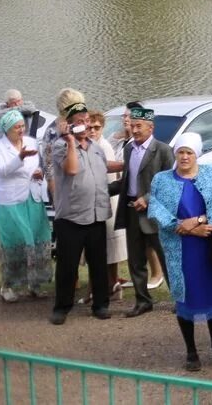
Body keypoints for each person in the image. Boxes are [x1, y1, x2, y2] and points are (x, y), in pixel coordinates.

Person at [147, 133, 212, 371]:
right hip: (181, 248)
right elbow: (156, 208)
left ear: (197, 154)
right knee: (186, 297)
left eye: (189, 153)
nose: (184, 157)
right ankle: (191, 351)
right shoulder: (162, 180)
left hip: (209, 245)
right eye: (180, 152)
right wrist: (186, 228)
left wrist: (203, 221)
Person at [49, 95, 112, 325]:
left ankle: (101, 304)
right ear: (69, 123)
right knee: (67, 264)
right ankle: (62, 307)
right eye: (79, 121)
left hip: (96, 214)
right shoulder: (59, 146)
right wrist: (69, 140)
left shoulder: (96, 148)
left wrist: (133, 164)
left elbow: (105, 168)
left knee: (98, 262)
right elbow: (72, 169)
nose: (84, 124)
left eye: (86, 120)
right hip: (72, 217)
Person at [112, 103, 173, 317]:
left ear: (151, 128)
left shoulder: (163, 151)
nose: (135, 130)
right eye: (133, 126)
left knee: (166, 258)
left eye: (139, 126)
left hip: (156, 214)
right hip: (131, 211)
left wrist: (147, 199)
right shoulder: (129, 149)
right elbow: (128, 181)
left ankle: (179, 297)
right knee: (136, 259)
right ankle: (142, 300)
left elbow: (169, 184)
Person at [0, 108, 51, 301]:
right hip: (9, 201)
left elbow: (38, 165)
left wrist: (39, 172)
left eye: (22, 126)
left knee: (37, 240)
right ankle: (8, 286)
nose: (21, 130)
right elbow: (0, 171)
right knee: (14, 242)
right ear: (7, 129)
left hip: (32, 197)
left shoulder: (32, 142)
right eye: (16, 127)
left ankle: (35, 284)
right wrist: (20, 158)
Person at [87, 111, 129, 301]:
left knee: (110, 250)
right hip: (92, 203)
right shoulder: (88, 144)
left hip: (106, 201)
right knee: (99, 250)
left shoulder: (104, 147)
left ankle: (111, 285)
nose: (93, 131)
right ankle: (102, 286)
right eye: (90, 127)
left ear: (102, 128)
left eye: (97, 128)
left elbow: (110, 179)